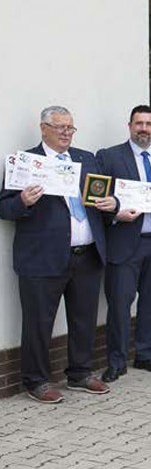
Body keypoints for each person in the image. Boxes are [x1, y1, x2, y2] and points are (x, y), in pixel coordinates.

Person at [0, 106, 111, 403]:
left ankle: (80, 373)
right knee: (38, 323)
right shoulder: (25, 162)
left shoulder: (86, 159)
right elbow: (5, 208)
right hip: (42, 258)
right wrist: (23, 201)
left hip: (86, 255)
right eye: (60, 127)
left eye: (70, 127)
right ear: (43, 128)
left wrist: (112, 203)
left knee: (83, 319)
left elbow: (103, 195)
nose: (66, 133)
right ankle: (36, 381)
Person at [96, 105, 151, 383]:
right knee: (120, 306)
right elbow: (98, 200)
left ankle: (145, 354)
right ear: (130, 126)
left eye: (148, 124)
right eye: (139, 123)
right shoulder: (109, 157)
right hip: (125, 243)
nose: (144, 129)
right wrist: (115, 212)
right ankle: (116, 361)